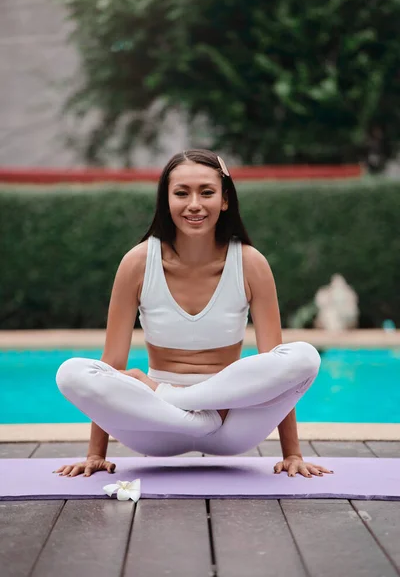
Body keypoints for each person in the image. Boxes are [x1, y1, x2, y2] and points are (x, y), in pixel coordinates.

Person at [55, 149, 332, 479]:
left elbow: (273, 363)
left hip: (232, 425)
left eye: (207, 192)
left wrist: (293, 454)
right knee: (71, 373)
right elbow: (112, 361)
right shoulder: (137, 263)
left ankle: (176, 398)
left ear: (224, 200)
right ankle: (180, 406)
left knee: (304, 357)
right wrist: (95, 454)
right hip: (157, 427)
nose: (194, 204)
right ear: (166, 200)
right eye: (181, 193)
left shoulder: (251, 264)